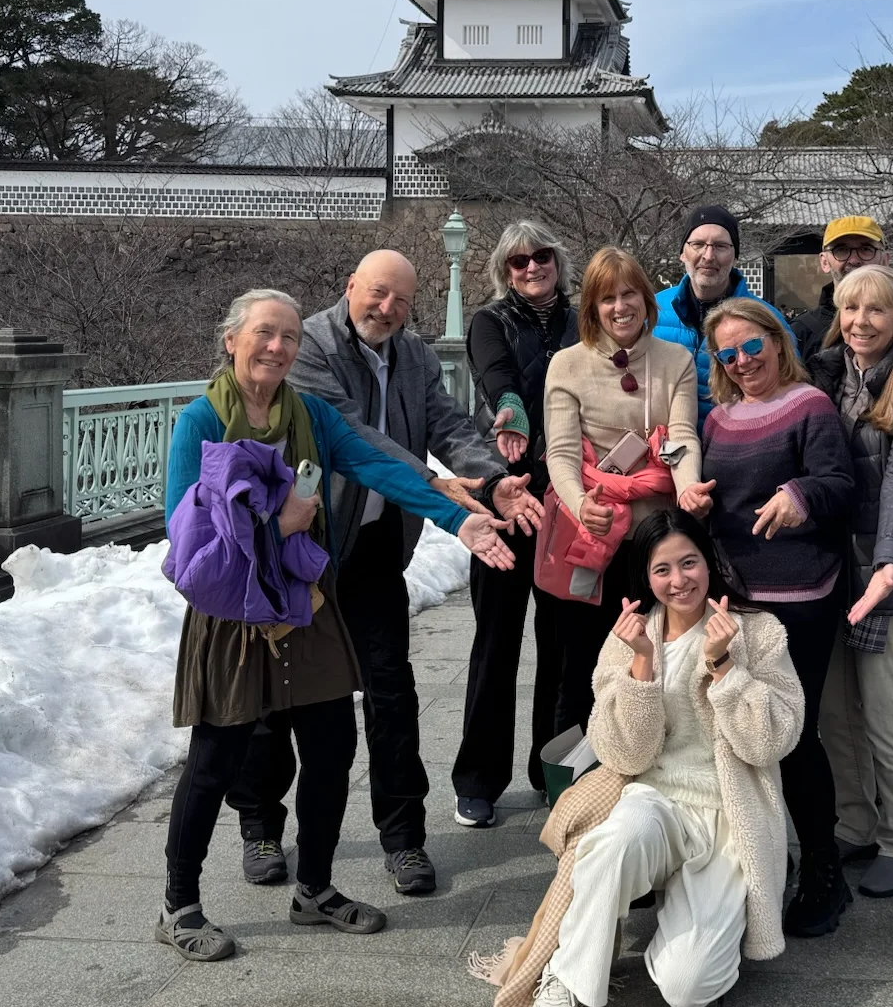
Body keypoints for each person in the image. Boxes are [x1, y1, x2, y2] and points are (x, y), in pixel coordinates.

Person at [158, 289, 521, 959]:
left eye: (291, 337)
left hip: (305, 605)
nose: (278, 347)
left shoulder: (313, 417)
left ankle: (316, 889)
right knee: (215, 761)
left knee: (331, 750)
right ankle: (180, 906)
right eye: (265, 333)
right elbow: (183, 539)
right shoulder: (200, 421)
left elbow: (380, 465)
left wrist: (456, 516)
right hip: (232, 618)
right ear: (232, 339)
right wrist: (276, 523)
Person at [291, 250, 543, 897]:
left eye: (401, 301)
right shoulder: (311, 346)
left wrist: (490, 480)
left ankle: (403, 839)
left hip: (376, 542)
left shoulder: (416, 354)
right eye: (377, 294)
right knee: (286, 695)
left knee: (392, 691)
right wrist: (433, 482)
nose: (387, 310)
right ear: (350, 286)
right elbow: (350, 438)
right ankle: (261, 824)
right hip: (307, 542)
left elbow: (446, 422)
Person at [525, 511, 804, 1007]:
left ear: (708, 562)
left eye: (689, 563)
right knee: (614, 841)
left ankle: (685, 922)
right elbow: (623, 756)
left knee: (688, 987)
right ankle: (567, 974)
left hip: (727, 814)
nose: (679, 581)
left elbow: (772, 742)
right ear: (645, 577)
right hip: (652, 800)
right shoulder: (629, 637)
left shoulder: (758, 632)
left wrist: (725, 667)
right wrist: (642, 669)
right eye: (662, 570)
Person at [677, 298, 857, 937]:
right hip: (738, 595)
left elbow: (840, 484)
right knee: (739, 729)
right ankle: (754, 859)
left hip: (803, 594)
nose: (744, 361)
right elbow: (719, 499)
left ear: (777, 341)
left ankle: (825, 870)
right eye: (728, 354)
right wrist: (697, 502)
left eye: (753, 346)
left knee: (791, 733)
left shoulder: (811, 406)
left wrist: (798, 493)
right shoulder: (719, 420)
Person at [804, 265, 893, 899]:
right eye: (849, 308)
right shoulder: (830, 372)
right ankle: (855, 821)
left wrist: (892, 564)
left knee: (888, 712)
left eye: (875, 310)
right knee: (836, 711)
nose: (860, 321)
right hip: (836, 571)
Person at [452, 219, 581, 828]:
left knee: (563, 646)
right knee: (496, 642)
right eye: (518, 261)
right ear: (504, 270)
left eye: (541, 257)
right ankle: (478, 778)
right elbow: (496, 378)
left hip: (569, 499)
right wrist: (510, 413)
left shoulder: (585, 319)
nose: (531, 267)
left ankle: (554, 769)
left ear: (558, 260)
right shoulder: (490, 322)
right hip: (508, 495)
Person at [543, 245, 703, 731]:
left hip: (653, 540)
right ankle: (573, 781)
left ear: (646, 300)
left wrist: (689, 488)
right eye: (607, 298)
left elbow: (679, 441)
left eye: (629, 293)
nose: (620, 307)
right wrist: (580, 504)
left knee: (657, 659)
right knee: (582, 666)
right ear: (591, 307)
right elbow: (563, 455)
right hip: (591, 534)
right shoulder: (567, 365)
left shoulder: (674, 359)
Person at [652, 203, 792, 410]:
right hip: (666, 439)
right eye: (698, 244)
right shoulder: (652, 311)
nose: (708, 256)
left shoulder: (768, 320)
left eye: (720, 246)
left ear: (735, 257)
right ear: (682, 253)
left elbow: (789, 388)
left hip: (738, 438)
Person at [788, 215, 893, 364]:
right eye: (841, 250)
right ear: (824, 262)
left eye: (866, 249)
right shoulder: (802, 331)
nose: (854, 259)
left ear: (885, 260)